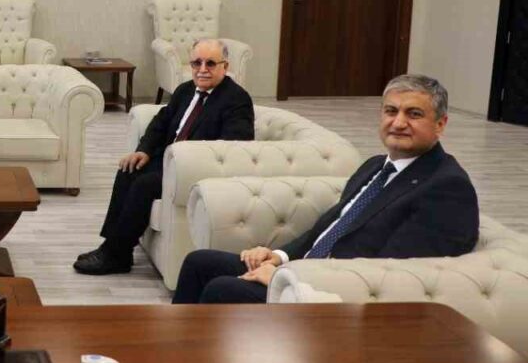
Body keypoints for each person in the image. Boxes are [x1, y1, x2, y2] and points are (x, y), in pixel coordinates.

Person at [173, 74, 479, 304]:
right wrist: (278, 257)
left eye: (414, 114)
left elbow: (389, 273)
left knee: (222, 289)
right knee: (200, 263)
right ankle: (172, 355)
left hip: (333, 294)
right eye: (391, 111)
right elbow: (331, 228)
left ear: (440, 124)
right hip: (307, 268)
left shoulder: (446, 188)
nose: (398, 123)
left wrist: (287, 278)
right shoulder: (376, 165)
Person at [75, 39, 254, 275]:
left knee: (145, 184)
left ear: (225, 66)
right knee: (128, 170)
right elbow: (161, 122)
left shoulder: (237, 100)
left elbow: (233, 148)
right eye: (196, 63)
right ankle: (114, 248)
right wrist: (143, 150)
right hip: (169, 161)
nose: (202, 69)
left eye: (210, 63)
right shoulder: (186, 90)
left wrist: (186, 161)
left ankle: (115, 253)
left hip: (196, 170)